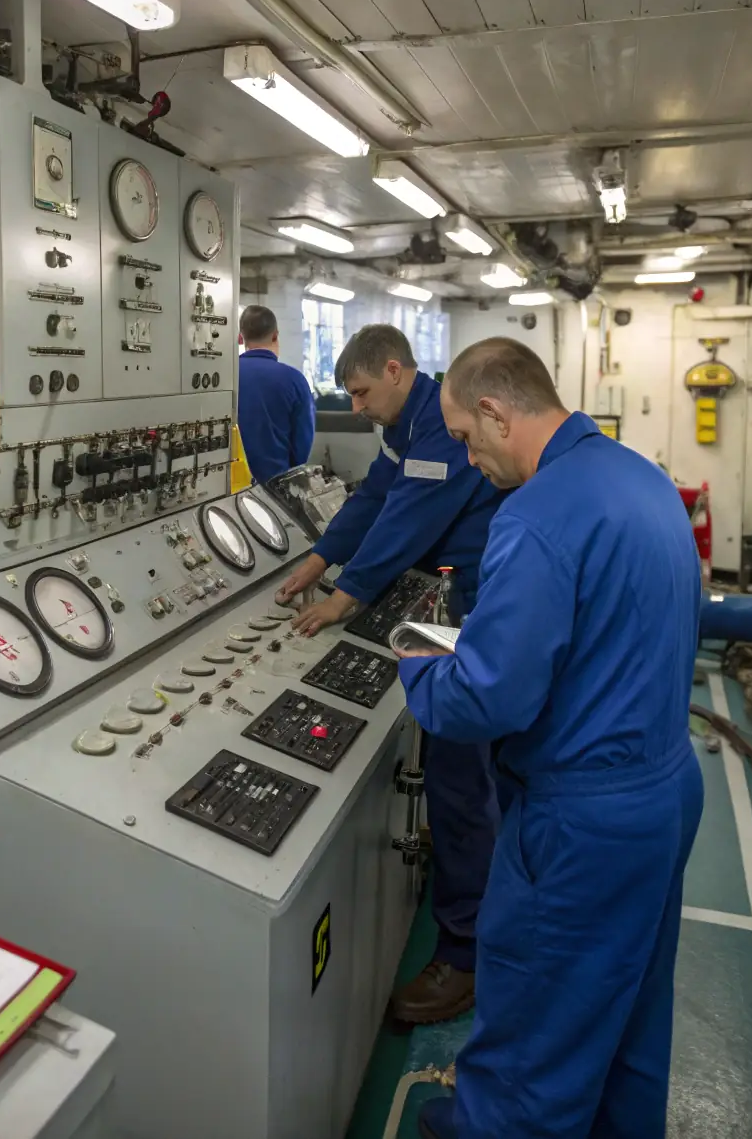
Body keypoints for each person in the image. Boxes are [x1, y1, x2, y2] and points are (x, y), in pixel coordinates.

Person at [397, 338, 704, 1139]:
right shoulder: (644, 478)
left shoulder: (535, 516)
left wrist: (414, 655)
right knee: (627, 1013)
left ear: (498, 414)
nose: (467, 457)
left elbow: (485, 695)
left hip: (581, 821)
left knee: (535, 1032)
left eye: (467, 436)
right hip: (665, 789)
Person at [278, 325, 504, 1023]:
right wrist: (317, 563)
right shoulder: (406, 430)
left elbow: (410, 517)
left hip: (477, 603)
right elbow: (373, 499)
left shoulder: (439, 427)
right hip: (456, 597)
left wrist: (347, 597)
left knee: (460, 778)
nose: (357, 404)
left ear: (396, 370)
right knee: (448, 765)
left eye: (362, 390)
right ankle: (463, 871)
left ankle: (464, 956)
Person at [237, 304, 315, 484]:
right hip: (276, 487)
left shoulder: (225, 376)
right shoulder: (295, 380)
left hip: (228, 487)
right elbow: (302, 444)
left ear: (241, 338)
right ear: (275, 335)